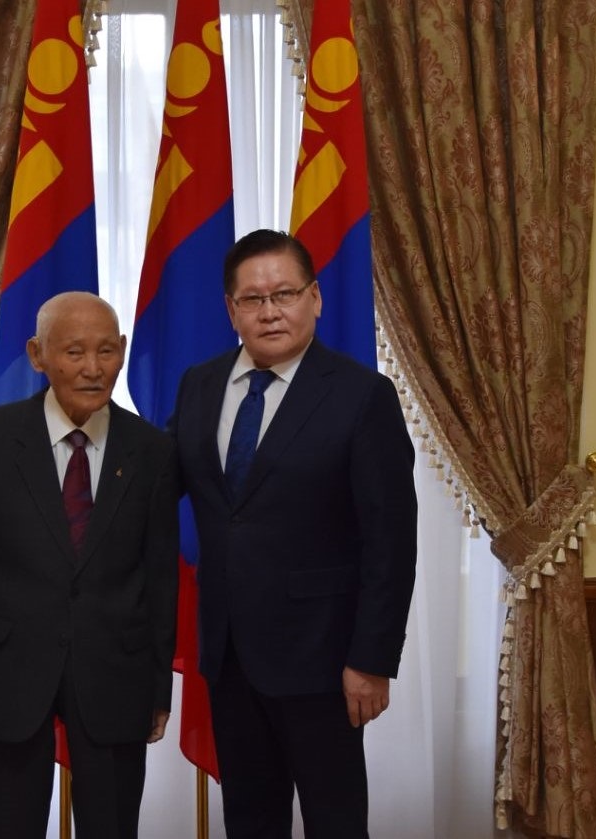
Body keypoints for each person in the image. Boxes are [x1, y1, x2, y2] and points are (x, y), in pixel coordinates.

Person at [168, 229, 417, 838]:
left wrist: (371, 659)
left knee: (335, 823)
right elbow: (158, 484)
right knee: (250, 821)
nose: (270, 311)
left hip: (324, 660)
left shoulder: (362, 396)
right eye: (253, 299)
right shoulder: (200, 385)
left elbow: (391, 542)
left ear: (316, 298)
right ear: (231, 309)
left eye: (284, 293)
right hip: (229, 655)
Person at [0, 291, 179, 839]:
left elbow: (161, 578)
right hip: (5, 673)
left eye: (106, 351)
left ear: (123, 352)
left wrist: (158, 688)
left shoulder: (153, 450)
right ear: (37, 354)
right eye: (74, 352)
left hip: (115, 673)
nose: (93, 368)